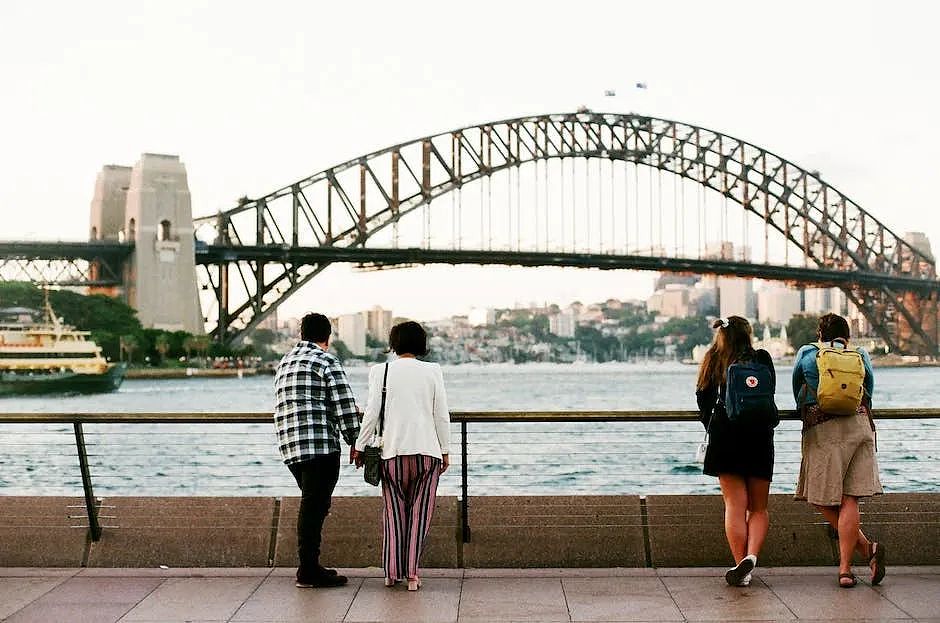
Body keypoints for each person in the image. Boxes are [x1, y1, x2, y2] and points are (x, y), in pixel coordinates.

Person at [353, 321, 450, 592]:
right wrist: (445, 449)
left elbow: (372, 414)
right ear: (421, 343)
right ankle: (413, 575)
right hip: (427, 453)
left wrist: (360, 446)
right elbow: (440, 414)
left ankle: (391, 573)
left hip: (391, 453)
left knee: (394, 514)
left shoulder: (379, 371)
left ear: (393, 344)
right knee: (420, 515)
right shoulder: (433, 371)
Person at [793, 313, 885, 588]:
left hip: (823, 429)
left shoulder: (808, 353)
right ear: (848, 335)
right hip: (858, 427)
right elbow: (869, 389)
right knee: (850, 500)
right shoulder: (860, 354)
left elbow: (798, 386)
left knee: (818, 496)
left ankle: (867, 549)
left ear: (820, 335)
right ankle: (846, 569)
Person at [274, 313, 361, 588]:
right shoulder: (326, 360)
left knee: (313, 504)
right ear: (328, 337)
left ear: (302, 335)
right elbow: (344, 404)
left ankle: (311, 567)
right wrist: (356, 441)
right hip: (319, 444)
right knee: (314, 506)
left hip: (290, 447)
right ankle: (308, 570)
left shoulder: (284, 362)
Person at [695, 316, 778, 587]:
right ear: (748, 335)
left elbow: (702, 398)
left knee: (734, 505)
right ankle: (751, 556)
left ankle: (741, 567)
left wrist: (715, 420)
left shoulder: (712, 358)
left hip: (724, 437)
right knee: (759, 509)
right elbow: (769, 394)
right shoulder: (762, 359)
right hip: (759, 436)